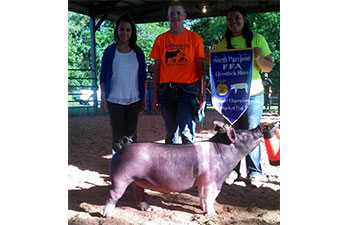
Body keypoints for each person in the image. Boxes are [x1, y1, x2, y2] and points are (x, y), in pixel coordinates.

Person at [213, 6, 274, 187]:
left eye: (237, 18)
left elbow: (268, 67)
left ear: (245, 19)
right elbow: (217, 70)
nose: (234, 22)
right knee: (231, 134)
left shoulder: (257, 39)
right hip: (229, 98)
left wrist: (258, 58)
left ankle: (254, 172)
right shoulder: (222, 44)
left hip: (253, 95)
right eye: (230, 19)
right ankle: (231, 170)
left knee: (252, 133)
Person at [150, 2, 206, 144]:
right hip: (165, 90)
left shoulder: (195, 38)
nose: (175, 16)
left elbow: (200, 67)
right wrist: (155, 95)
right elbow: (157, 69)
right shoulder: (160, 40)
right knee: (170, 131)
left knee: (186, 130)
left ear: (184, 16)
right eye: (172, 14)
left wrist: (202, 94)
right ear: (168, 17)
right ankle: (171, 165)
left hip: (187, 90)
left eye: (178, 13)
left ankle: (190, 164)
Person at [100, 15, 147, 155]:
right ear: (117, 31)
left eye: (128, 30)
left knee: (131, 136)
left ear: (132, 32)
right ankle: (117, 165)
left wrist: (143, 97)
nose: (124, 33)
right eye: (121, 29)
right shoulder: (110, 51)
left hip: (134, 99)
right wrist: (103, 98)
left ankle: (131, 165)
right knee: (118, 135)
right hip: (114, 99)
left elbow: (143, 76)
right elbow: (102, 76)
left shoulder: (138, 52)